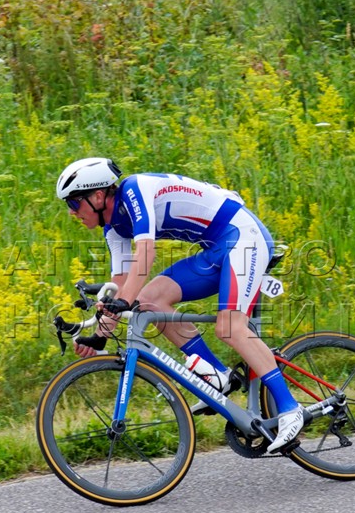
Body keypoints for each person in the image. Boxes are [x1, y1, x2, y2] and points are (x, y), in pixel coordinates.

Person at [55, 157, 307, 451]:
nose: (73, 213)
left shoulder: (135, 191)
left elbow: (145, 254)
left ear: (97, 196)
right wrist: (99, 336)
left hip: (243, 238)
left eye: (74, 204)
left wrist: (123, 301)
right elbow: (121, 283)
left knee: (230, 328)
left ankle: (290, 408)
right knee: (149, 301)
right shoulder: (113, 228)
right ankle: (217, 375)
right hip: (216, 252)